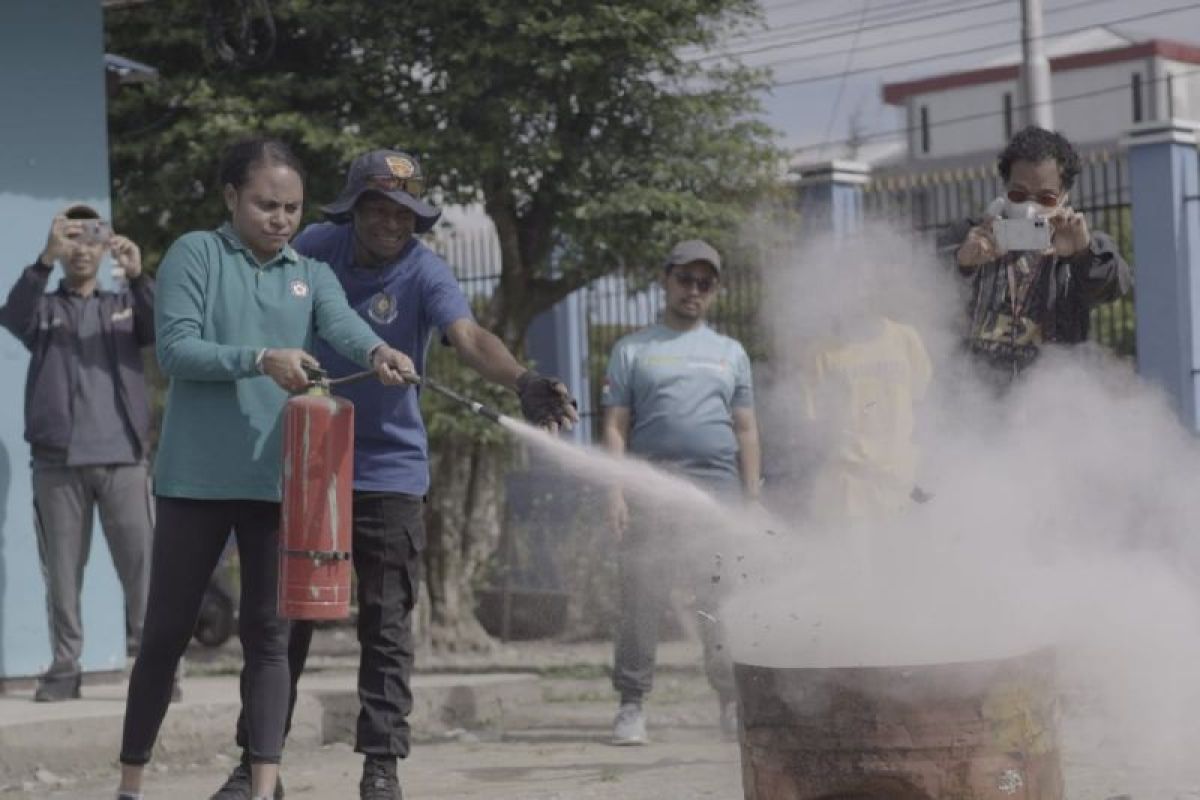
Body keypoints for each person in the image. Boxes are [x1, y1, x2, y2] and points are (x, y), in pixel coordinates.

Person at [210, 149, 578, 800]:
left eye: (404, 213)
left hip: (390, 468)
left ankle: (381, 767)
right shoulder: (317, 247)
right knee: (280, 618)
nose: (390, 223)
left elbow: (467, 337)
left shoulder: (424, 270)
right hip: (310, 462)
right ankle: (257, 763)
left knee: (385, 624)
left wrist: (522, 379)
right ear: (353, 209)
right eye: (378, 208)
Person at [115, 138, 417, 800]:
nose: (279, 219)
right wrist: (260, 360)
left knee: (270, 639)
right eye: (265, 205)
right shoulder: (197, 253)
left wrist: (381, 350)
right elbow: (176, 349)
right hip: (194, 481)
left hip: (275, 486)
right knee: (165, 635)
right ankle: (131, 785)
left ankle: (263, 787)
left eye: (291, 207)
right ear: (231, 198)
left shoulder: (306, 272)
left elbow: (342, 325)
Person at [601, 239, 761, 746]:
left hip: (717, 491)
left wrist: (751, 500)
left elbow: (748, 431)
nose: (694, 290)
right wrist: (616, 491)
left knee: (720, 599)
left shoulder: (730, 354)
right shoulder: (633, 350)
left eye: (705, 283)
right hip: (652, 490)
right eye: (685, 280)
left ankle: (731, 702)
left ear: (715, 291)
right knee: (641, 598)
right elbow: (615, 427)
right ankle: (632, 704)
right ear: (665, 280)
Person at [0, 206, 155, 703]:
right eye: (73, 238)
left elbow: (159, 331)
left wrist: (139, 275)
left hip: (125, 462)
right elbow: (13, 314)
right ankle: (65, 667)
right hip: (57, 463)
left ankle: (155, 667)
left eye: (93, 236)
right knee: (63, 574)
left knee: (142, 570)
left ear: (106, 242)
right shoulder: (44, 311)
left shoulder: (124, 306)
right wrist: (44, 258)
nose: (83, 247)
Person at [940, 125, 1131, 386]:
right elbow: (925, 291)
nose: (1030, 207)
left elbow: (1115, 284)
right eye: (1018, 195)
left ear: (1064, 198)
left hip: (1052, 406)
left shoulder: (1079, 243)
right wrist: (962, 265)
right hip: (975, 404)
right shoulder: (970, 236)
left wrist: (1082, 254)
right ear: (1004, 190)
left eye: (1046, 198)